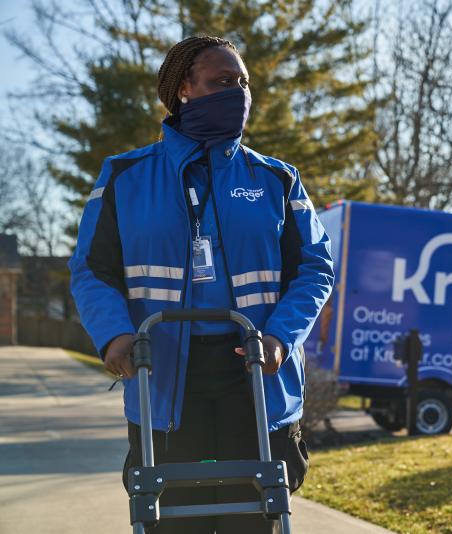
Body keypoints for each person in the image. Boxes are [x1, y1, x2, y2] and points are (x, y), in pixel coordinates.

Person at [68, 35, 335, 533]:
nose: (237, 92)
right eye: (222, 81)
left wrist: (280, 337)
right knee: (172, 519)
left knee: (254, 516)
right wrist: (115, 334)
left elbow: (315, 267)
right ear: (184, 90)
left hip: (256, 376)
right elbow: (91, 268)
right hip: (164, 375)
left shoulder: (277, 180)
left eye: (243, 83)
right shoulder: (125, 176)